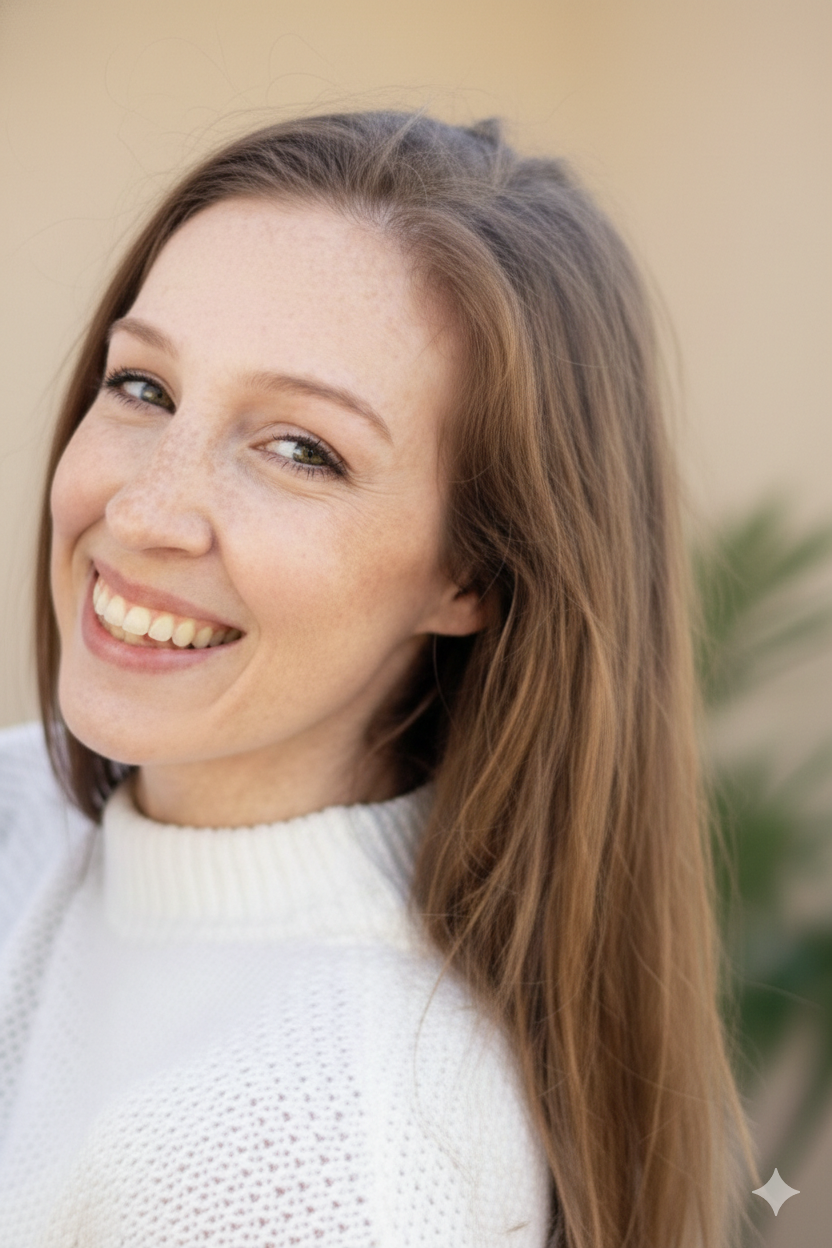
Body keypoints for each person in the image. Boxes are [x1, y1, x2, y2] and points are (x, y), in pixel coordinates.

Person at [0, 110, 756, 1247]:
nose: (141, 512)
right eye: (144, 389)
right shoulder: (32, 810)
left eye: (301, 450)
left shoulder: (324, 1157)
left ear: (474, 574)